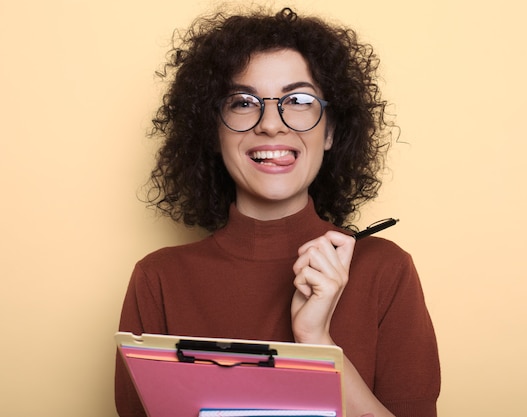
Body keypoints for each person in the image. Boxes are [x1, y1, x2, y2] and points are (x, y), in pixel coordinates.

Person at [115, 6, 440, 417]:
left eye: (299, 100)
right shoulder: (157, 279)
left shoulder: (386, 270)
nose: (271, 124)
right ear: (212, 132)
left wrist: (316, 339)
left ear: (331, 132)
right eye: (243, 102)